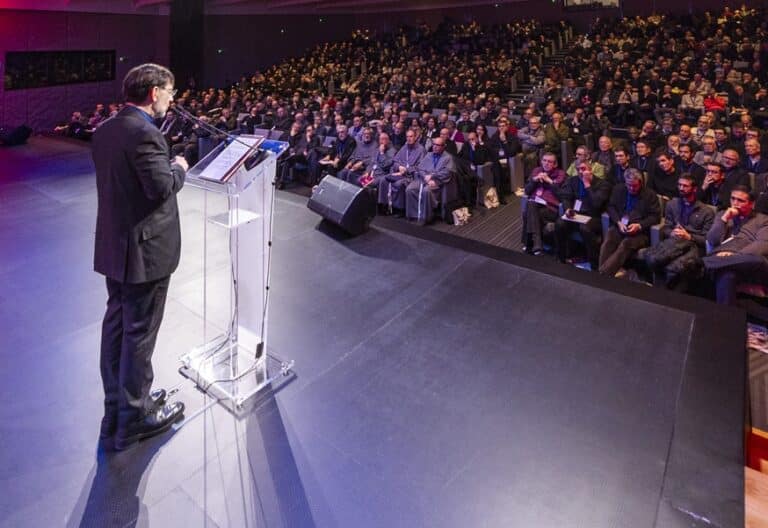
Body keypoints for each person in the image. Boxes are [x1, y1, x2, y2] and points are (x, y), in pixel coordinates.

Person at [92, 63, 186, 451]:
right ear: (153, 93)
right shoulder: (145, 134)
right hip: (145, 252)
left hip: (116, 246)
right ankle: (134, 419)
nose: (171, 99)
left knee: (117, 327)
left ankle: (117, 409)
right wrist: (178, 167)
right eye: (169, 92)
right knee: (139, 335)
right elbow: (160, 187)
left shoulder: (105, 130)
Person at [644, 174, 714, 290]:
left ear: (694, 189)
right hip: (674, 242)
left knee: (674, 267)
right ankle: (660, 293)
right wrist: (671, 233)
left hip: (694, 246)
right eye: (679, 185)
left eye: (685, 186)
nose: (681, 188)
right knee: (652, 258)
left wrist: (689, 236)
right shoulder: (672, 204)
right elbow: (666, 227)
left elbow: (707, 239)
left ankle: (663, 295)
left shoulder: (706, 212)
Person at [704, 187, 768, 305]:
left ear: (752, 204)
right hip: (727, 262)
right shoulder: (723, 215)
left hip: (749, 262)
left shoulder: (763, 220)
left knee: (760, 260)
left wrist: (736, 255)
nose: (735, 203)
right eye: (733, 199)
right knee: (727, 276)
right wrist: (724, 220)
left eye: (740, 200)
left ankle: (705, 264)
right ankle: (726, 318)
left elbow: (762, 244)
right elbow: (712, 240)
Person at [599, 169, 661, 277]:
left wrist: (640, 225)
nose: (631, 188)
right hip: (621, 226)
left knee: (626, 243)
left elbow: (655, 217)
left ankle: (603, 274)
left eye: (634, 186)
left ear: (640, 183)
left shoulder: (650, 195)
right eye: (629, 185)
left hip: (640, 232)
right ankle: (603, 271)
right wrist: (618, 222)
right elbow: (610, 206)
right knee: (609, 238)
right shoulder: (619, 189)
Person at [554, 160, 611, 270]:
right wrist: (568, 209)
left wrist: (587, 185)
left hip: (593, 217)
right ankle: (560, 258)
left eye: (583, 169)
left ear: (590, 170)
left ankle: (594, 265)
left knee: (585, 228)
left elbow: (596, 204)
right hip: (575, 215)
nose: (581, 172)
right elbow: (566, 197)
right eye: (578, 169)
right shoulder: (572, 181)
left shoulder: (603, 184)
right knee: (560, 223)